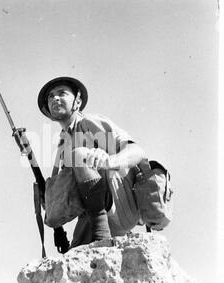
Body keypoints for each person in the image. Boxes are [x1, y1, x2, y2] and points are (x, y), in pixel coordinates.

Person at [36, 76, 147, 249]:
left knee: (79, 155)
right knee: (75, 256)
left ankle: (101, 237)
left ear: (77, 102)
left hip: (120, 206)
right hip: (92, 213)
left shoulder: (88, 123)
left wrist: (110, 161)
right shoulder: (62, 144)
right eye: (50, 96)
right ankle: (99, 235)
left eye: (62, 93)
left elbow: (138, 151)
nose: (55, 98)